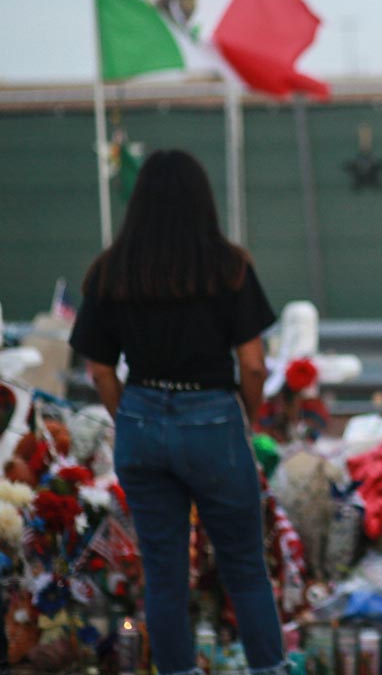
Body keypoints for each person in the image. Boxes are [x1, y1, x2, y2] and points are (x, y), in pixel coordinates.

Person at [69, 150, 286, 675]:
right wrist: (243, 418)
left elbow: (99, 369)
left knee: (163, 577)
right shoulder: (229, 267)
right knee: (244, 569)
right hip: (213, 419)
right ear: (202, 200)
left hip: (141, 415)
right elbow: (253, 366)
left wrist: (132, 418)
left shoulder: (109, 271)